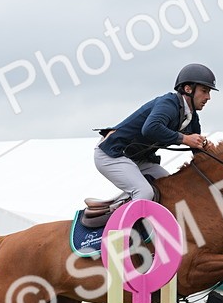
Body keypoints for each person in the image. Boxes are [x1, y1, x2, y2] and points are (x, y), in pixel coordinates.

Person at [90, 63, 216, 209]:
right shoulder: (168, 103)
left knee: (172, 186)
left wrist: (208, 152)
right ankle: (121, 231)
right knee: (144, 192)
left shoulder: (192, 117)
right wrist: (185, 139)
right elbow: (150, 128)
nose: (208, 97)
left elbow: (197, 152)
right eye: (204, 91)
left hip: (137, 159)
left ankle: (120, 206)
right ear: (188, 89)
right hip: (111, 154)